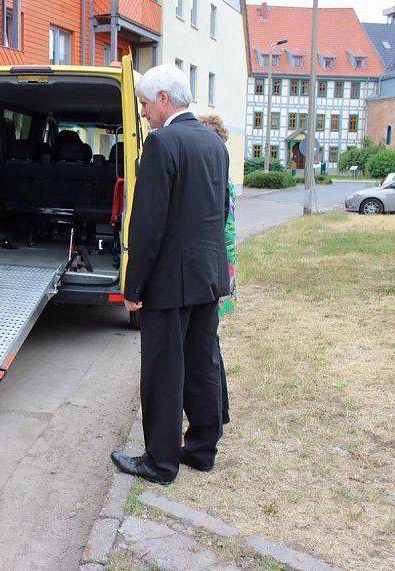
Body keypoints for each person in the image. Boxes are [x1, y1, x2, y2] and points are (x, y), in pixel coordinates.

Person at [110, 65, 230, 484]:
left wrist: (133, 286)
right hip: (208, 277)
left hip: (169, 282)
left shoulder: (163, 143)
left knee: (163, 371)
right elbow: (216, 214)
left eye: (144, 103)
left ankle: (160, 462)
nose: (143, 113)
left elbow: (148, 224)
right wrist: (220, 277)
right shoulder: (215, 144)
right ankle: (201, 450)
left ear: (163, 98)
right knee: (202, 364)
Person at [197, 114, 237, 425]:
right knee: (211, 342)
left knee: (209, 343)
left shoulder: (218, 182)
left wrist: (225, 279)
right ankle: (219, 411)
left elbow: (224, 232)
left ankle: (217, 411)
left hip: (219, 269)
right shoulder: (222, 178)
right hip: (223, 268)